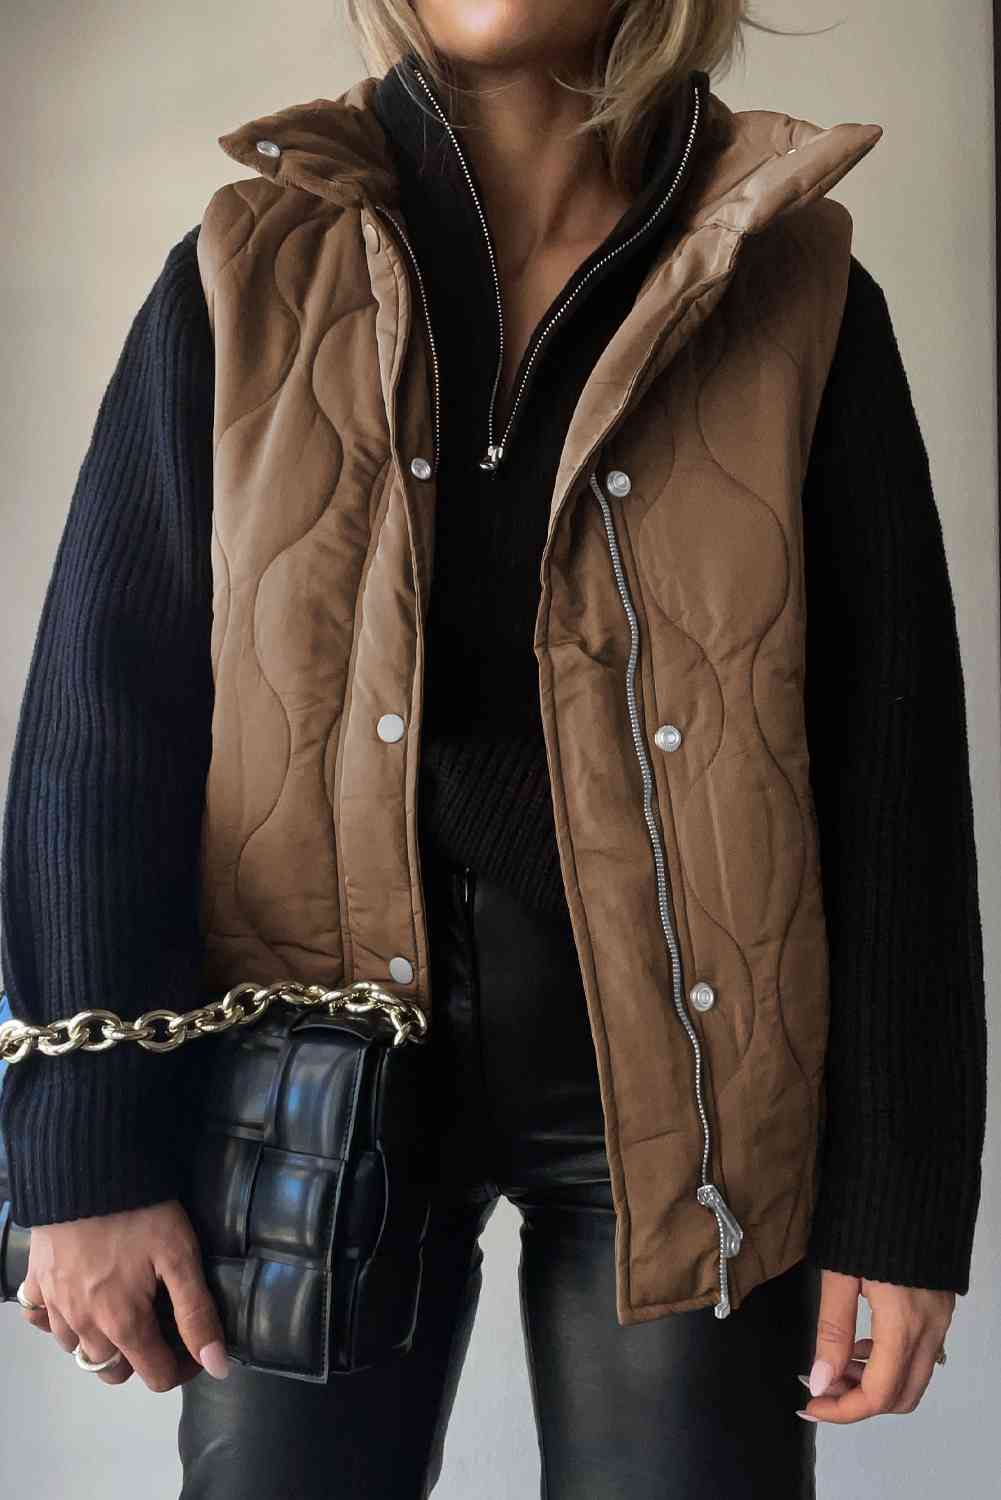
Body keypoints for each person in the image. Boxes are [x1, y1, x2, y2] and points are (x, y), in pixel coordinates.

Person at [1, 2, 987, 1497]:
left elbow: (889, 773)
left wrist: (900, 1208)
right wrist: (80, 1154)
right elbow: (102, 719)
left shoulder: (794, 289)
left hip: (698, 1087)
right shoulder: (249, 265)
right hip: (303, 1057)